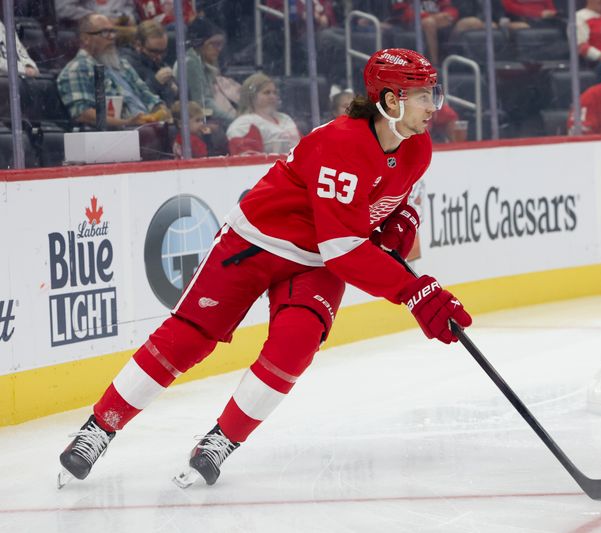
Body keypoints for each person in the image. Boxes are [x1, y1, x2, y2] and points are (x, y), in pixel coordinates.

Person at [57, 47, 473, 489]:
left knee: (293, 348)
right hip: (256, 242)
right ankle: (98, 428)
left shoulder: (418, 147)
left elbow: (377, 210)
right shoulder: (342, 143)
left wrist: (400, 220)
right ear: (391, 101)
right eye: (423, 95)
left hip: (314, 263)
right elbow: (344, 247)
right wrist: (414, 291)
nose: (434, 106)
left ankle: (220, 442)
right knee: (188, 338)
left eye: (434, 93)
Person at [57, 13, 169, 128]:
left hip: (146, 130)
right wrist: (127, 123)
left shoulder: (122, 65)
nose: (112, 37)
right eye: (105, 33)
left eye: (113, 32)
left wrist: (162, 110)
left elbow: (148, 96)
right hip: (117, 137)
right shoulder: (77, 69)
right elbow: (82, 113)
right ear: (86, 39)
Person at [226, 73, 301, 155]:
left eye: (274, 93)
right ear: (252, 97)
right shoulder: (244, 124)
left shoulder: (285, 119)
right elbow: (247, 159)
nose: (272, 96)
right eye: (267, 93)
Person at [184, 17, 239, 127]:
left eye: (220, 44)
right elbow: (204, 103)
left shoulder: (204, 62)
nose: (218, 49)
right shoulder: (190, 63)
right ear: (199, 43)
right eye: (214, 44)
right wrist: (235, 120)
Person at [121, 20, 177, 106]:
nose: (159, 57)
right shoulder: (126, 64)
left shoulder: (157, 62)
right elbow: (132, 100)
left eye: (163, 52)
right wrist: (155, 83)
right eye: (154, 51)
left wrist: (175, 88)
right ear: (138, 45)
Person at [391, 1, 460, 66]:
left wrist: (447, 15)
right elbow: (403, 14)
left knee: (448, 22)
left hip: (437, 21)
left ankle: (451, 61)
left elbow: (451, 9)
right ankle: (434, 64)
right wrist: (430, 16)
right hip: (410, 24)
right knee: (429, 22)